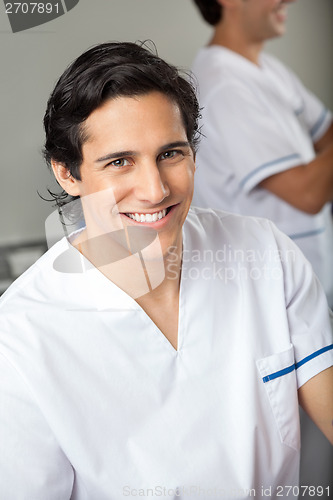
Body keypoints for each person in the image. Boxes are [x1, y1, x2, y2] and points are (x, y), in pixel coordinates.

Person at [0, 41, 332, 500]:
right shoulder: (19, 338)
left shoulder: (265, 253)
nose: (155, 190)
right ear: (67, 174)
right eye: (120, 162)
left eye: (171, 154)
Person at [191, 0, 333, 308]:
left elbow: (327, 133)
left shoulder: (267, 69)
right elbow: (307, 194)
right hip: (274, 296)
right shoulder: (224, 87)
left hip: (310, 283)